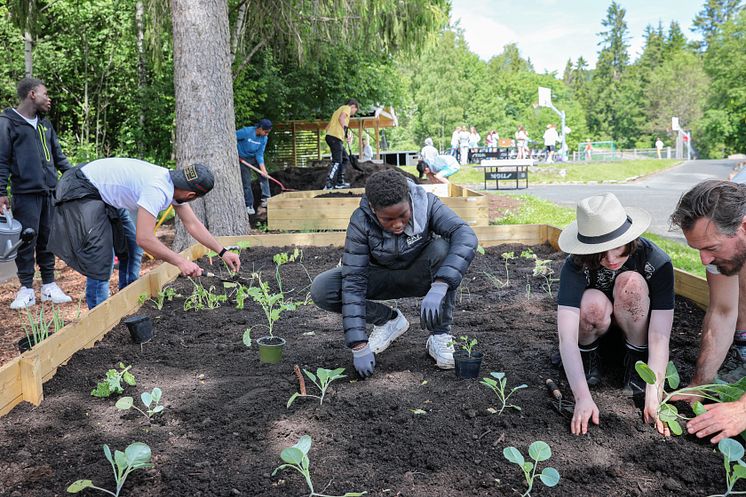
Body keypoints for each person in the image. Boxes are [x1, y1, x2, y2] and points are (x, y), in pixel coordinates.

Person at [310, 169, 478, 377]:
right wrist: (359, 345)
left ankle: (440, 335)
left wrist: (441, 283)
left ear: (409, 199)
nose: (397, 224)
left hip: (421, 276)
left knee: (443, 249)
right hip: (380, 278)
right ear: (373, 209)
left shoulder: (427, 204)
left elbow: (465, 235)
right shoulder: (360, 221)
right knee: (323, 288)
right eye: (387, 219)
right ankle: (388, 320)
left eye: (402, 215)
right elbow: (354, 281)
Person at [556, 193, 675, 436]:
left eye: (617, 247)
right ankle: (589, 362)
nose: (610, 259)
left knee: (630, 283)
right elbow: (566, 337)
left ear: (629, 238)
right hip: (593, 333)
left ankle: (635, 367)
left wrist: (654, 393)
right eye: (600, 251)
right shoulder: (575, 264)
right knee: (592, 304)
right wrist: (582, 397)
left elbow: (660, 335)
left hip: (637, 335)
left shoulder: (656, 261)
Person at [48, 159, 241, 309]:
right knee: (100, 259)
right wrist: (181, 262)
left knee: (131, 249)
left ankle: (128, 301)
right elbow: (145, 239)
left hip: (105, 192)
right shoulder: (157, 188)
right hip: (81, 187)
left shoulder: (175, 186)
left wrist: (222, 252)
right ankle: (99, 317)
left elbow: (192, 224)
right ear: (190, 195)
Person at [669, 180, 746, 443]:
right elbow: (723, 312)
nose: (703, 260)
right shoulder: (722, 252)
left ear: (743, 226)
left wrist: (742, 410)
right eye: (698, 249)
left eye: (711, 248)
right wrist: (700, 384)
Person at [0, 77, 73, 309]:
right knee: (27, 240)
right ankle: (26, 289)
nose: (48, 99)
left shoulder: (45, 125)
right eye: (45, 94)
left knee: (47, 239)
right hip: (25, 193)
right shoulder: (7, 122)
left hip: (49, 192)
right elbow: (1, 160)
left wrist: (76, 178)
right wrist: (1, 191)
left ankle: (49, 286)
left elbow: (59, 157)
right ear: (32, 94)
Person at [236, 118, 272, 215]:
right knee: (246, 182)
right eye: (266, 132)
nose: (266, 134)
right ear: (259, 128)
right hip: (242, 159)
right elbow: (231, 139)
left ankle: (266, 198)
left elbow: (260, 154)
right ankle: (249, 205)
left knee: (264, 177)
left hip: (254, 158)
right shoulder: (246, 132)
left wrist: (263, 170)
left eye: (268, 132)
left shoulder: (264, 138)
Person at [324, 99, 358, 190]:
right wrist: (345, 131)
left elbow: (327, 128)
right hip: (335, 138)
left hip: (333, 137)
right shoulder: (347, 108)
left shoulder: (336, 111)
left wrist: (344, 135)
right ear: (353, 106)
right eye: (355, 110)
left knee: (345, 158)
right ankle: (328, 183)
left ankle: (339, 182)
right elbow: (341, 118)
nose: (353, 113)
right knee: (337, 161)